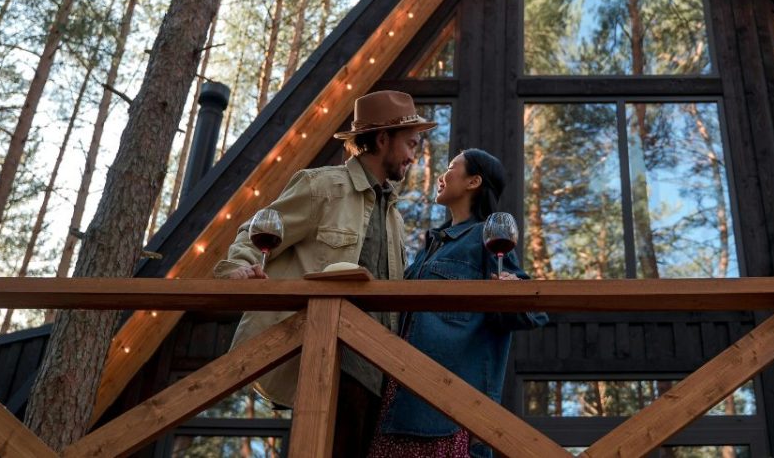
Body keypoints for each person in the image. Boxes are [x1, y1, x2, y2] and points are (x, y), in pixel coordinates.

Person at [213, 90, 436, 457]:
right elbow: (256, 233)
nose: (414, 157)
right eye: (411, 144)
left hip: (378, 375)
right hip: (326, 363)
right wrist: (239, 270)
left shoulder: (394, 217)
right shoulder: (322, 187)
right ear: (382, 139)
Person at [368, 148, 548, 458]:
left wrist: (513, 290)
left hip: (448, 414)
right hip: (396, 403)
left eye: (452, 167)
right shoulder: (428, 251)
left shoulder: (486, 237)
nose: (442, 174)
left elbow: (534, 311)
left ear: (473, 181)